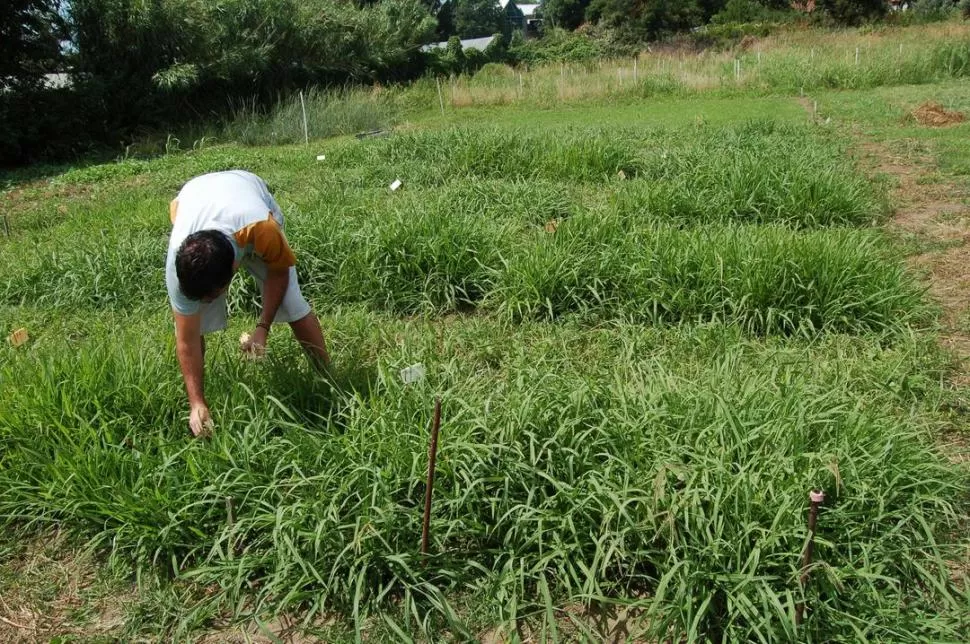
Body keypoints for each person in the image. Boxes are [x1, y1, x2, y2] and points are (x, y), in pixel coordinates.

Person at [165, 170, 330, 437]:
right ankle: (199, 403)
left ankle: (329, 378)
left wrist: (262, 329)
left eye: (212, 295)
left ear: (234, 269)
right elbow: (187, 339)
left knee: (292, 304)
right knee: (194, 323)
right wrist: (196, 402)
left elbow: (278, 272)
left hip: (246, 190)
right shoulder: (178, 268)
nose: (206, 302)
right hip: (193, 194)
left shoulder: (263, 228)